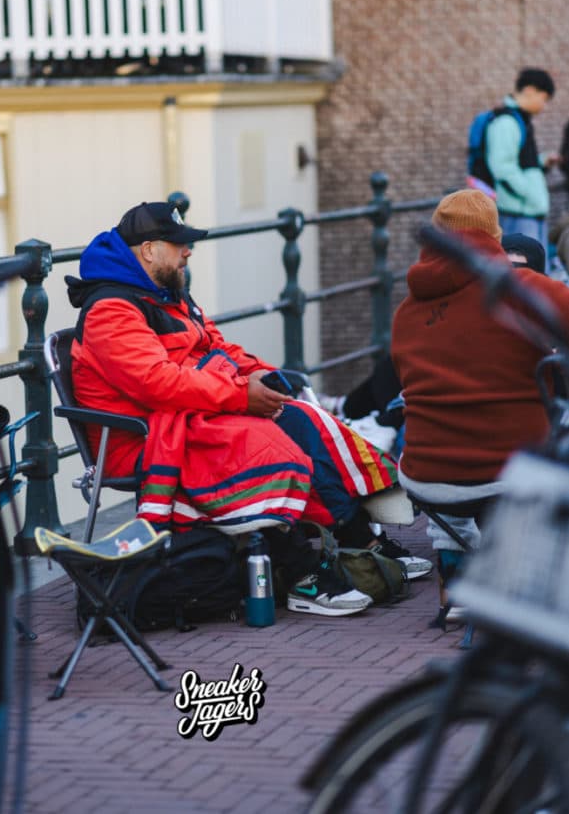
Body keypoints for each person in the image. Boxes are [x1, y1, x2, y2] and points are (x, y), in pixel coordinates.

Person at [65, 201, 431, 617]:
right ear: (148, 250)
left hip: (187, 417)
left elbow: (220, 349)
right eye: (178, 244)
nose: (188, 252)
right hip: (144, 437)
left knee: (299, 417)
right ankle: (301, 573)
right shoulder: (111, 310)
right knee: (268, 443)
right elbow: (156, 382)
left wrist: (265, 380)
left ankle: (358, 541)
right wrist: (241, 396)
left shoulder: (167, 296)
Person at [391, 189, 569, 612]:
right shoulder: (522, 289)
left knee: (453, 447)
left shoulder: (406, 310)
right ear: (494, 236)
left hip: (425, 475)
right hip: (505, 470)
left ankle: (457, 577)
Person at [481, 67, 559, 263]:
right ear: (530, 90)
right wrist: (531, 195)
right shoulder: (507, 123)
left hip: (527, 212)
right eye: (544, 98)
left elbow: (517, 166)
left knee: (532, 278)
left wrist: (541, 162)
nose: (544, 106)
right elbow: (502, 169)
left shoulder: (519, 121)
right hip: (519, 214)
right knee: (525, 278)